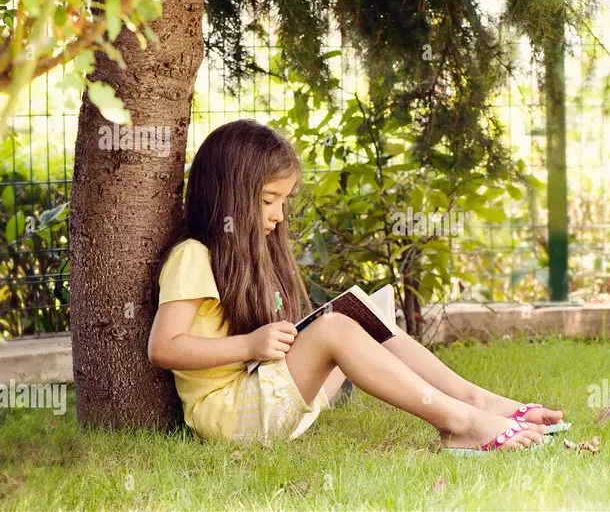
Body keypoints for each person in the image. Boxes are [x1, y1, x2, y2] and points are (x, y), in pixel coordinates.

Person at [147, 119, 564, 452]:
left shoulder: (251, 256)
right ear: (228, 195)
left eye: (284, 201)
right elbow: (163, 348)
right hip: (231, 416)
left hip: (272, 402)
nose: (277, 215)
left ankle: (477, 401)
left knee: (357, 315)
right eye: (267, 200)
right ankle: (462, 424)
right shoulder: (194, 256)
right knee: (335, 328)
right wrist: (250, 346)